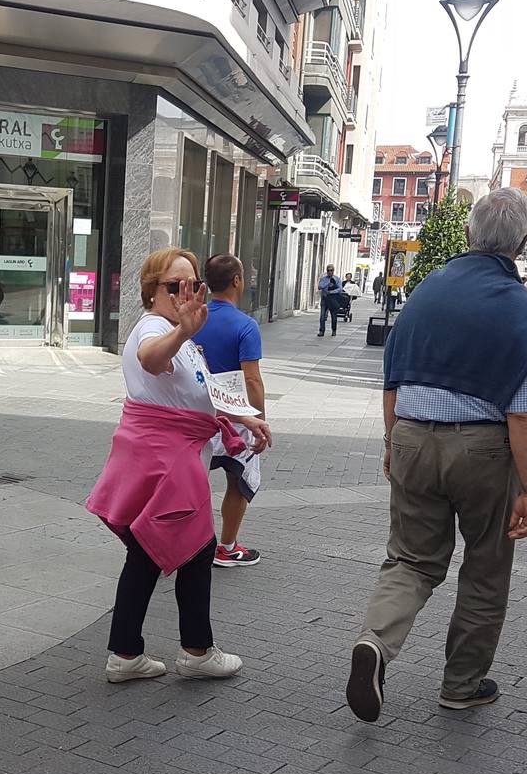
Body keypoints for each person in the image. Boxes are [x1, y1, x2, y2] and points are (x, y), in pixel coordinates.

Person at [346, 188, 527, 722]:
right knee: (485, 567)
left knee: (412, 559)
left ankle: (375, 641)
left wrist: (394, 441)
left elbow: (392, 380)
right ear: (524, 244)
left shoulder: (424, 293)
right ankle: (461, 684)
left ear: (467, 235)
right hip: (483, 448)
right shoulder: (525, 312)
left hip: (414, 434)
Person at [86, 247, 272, 684]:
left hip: (167, 457)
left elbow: (201, 394)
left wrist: (243, 417)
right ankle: (194, 651)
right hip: (166, 460)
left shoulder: (176, 330)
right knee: (191, 549)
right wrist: (182, 333)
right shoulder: (155, 329)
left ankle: (129, 653)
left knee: (154, 553)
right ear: (152, 290)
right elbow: (151, 358)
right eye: (175, 286)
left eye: (194, 285)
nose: (186, 293)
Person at [192, 253, 265, 568]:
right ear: (237, 281)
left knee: (188, 481)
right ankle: (226, 547)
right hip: (236, 417)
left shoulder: (194, 318)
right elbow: (252, 378)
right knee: (237, 482)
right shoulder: (246, 326)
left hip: (196, 414)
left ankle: (182, 544)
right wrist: (259, 419)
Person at [317, 265, 344, 337]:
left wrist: (331, 292)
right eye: (328, 270)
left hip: (333, 299)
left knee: (333, 316)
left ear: (333, 271)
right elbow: (319, 287)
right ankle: (321, 331)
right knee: (322, 316)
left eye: (331, 270)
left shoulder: (337, 279)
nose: (330, 272)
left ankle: (334, 330)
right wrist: (327, 284)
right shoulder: (323, 279)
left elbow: (340, 289)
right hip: (325, 299)